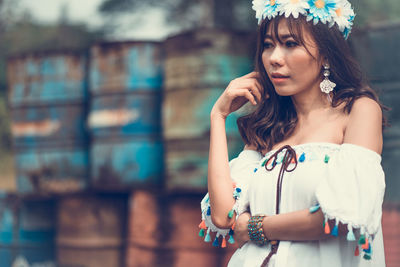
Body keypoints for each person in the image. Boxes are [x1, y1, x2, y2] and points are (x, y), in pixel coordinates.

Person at [198, 0, 388, 266]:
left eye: (290, 44)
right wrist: (218, 117)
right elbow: (223, 216)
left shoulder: (359, 111)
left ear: (325, 54)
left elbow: (340, 218)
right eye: (267, 45)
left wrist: (255, 227)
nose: (274, 58)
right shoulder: (268, 128)